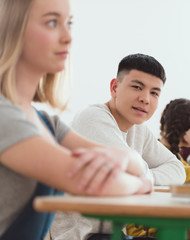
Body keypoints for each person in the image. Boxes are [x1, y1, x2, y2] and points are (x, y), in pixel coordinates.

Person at [0, 0, 152, 239]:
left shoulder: (48, 123)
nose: (68, 37)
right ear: (12, 29)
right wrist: (140, 184)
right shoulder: (4, 117)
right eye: (52, 22)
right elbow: (97, 184)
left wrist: (125, 160)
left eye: (68, 23)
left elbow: (133, 164)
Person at [50, 54, 186, 240]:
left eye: (154, 93)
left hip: (114, 233)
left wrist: (147, 179)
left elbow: (177, 169)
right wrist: (142, 178)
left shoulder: (139, 129)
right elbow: (128, 173)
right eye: (137, 87)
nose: (145, 98)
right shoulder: (92, 118)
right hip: (84, 236)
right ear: (115, 87)